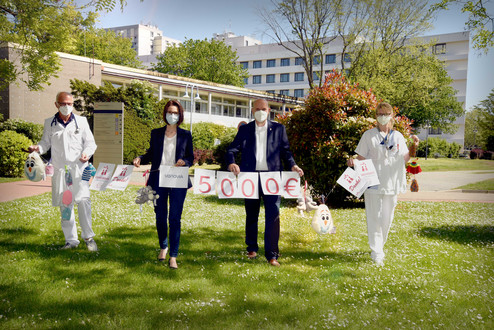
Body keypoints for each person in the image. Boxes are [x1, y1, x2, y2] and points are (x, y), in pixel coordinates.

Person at [226, 98, 304, 267]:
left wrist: (293, 165)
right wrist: (232, 162)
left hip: (272, 178)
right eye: (257, 109)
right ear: (252, 111)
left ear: (269, 111)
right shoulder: (245, 129)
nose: (260, 111)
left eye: (264, 109)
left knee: (273, 215)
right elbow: (232, 149)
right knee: (251, 214)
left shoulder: (278, 129)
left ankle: (272, 254)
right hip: (250, 177)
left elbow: (286, 152)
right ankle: (252, 248)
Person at [347, 102, 419, 266]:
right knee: (374, 217)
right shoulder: (369, 135)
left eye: (386, 113)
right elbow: (361, 157)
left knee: (387, 218)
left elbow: (405, 159)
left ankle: (379, 245)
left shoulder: (398, 136)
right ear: (376, 116)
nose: (383, 115)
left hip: (391, 183)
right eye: (380, 113)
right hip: (372, 182)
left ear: (391, 115)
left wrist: (413, 146)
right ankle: (377, 251)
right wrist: (352, 161)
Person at [29, 92, 98, 251]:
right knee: (66, 205)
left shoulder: (81, 121)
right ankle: (71, 240)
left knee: (83, 202)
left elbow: (90, 143)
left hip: (80, 170)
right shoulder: (50, 123)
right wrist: (37, 148)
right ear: (56, 104)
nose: (67, 106)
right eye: (63, 103)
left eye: (70, 103)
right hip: (62, 171)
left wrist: (86, 153)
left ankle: (88, 237)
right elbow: (45, 144)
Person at [133, 100, 193, 269]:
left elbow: (191, 157)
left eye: (175, 113)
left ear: (179, 115)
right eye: (169, 112)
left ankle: (173, 255)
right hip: (158, 178)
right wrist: (140, 158)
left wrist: (184, 161)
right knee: (160, 216)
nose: (172, 115)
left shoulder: (186, 134)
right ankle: (163, 246)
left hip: (177, 179)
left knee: (174, 218)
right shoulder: (156, 133)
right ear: (165, 114)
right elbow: (151, 153)